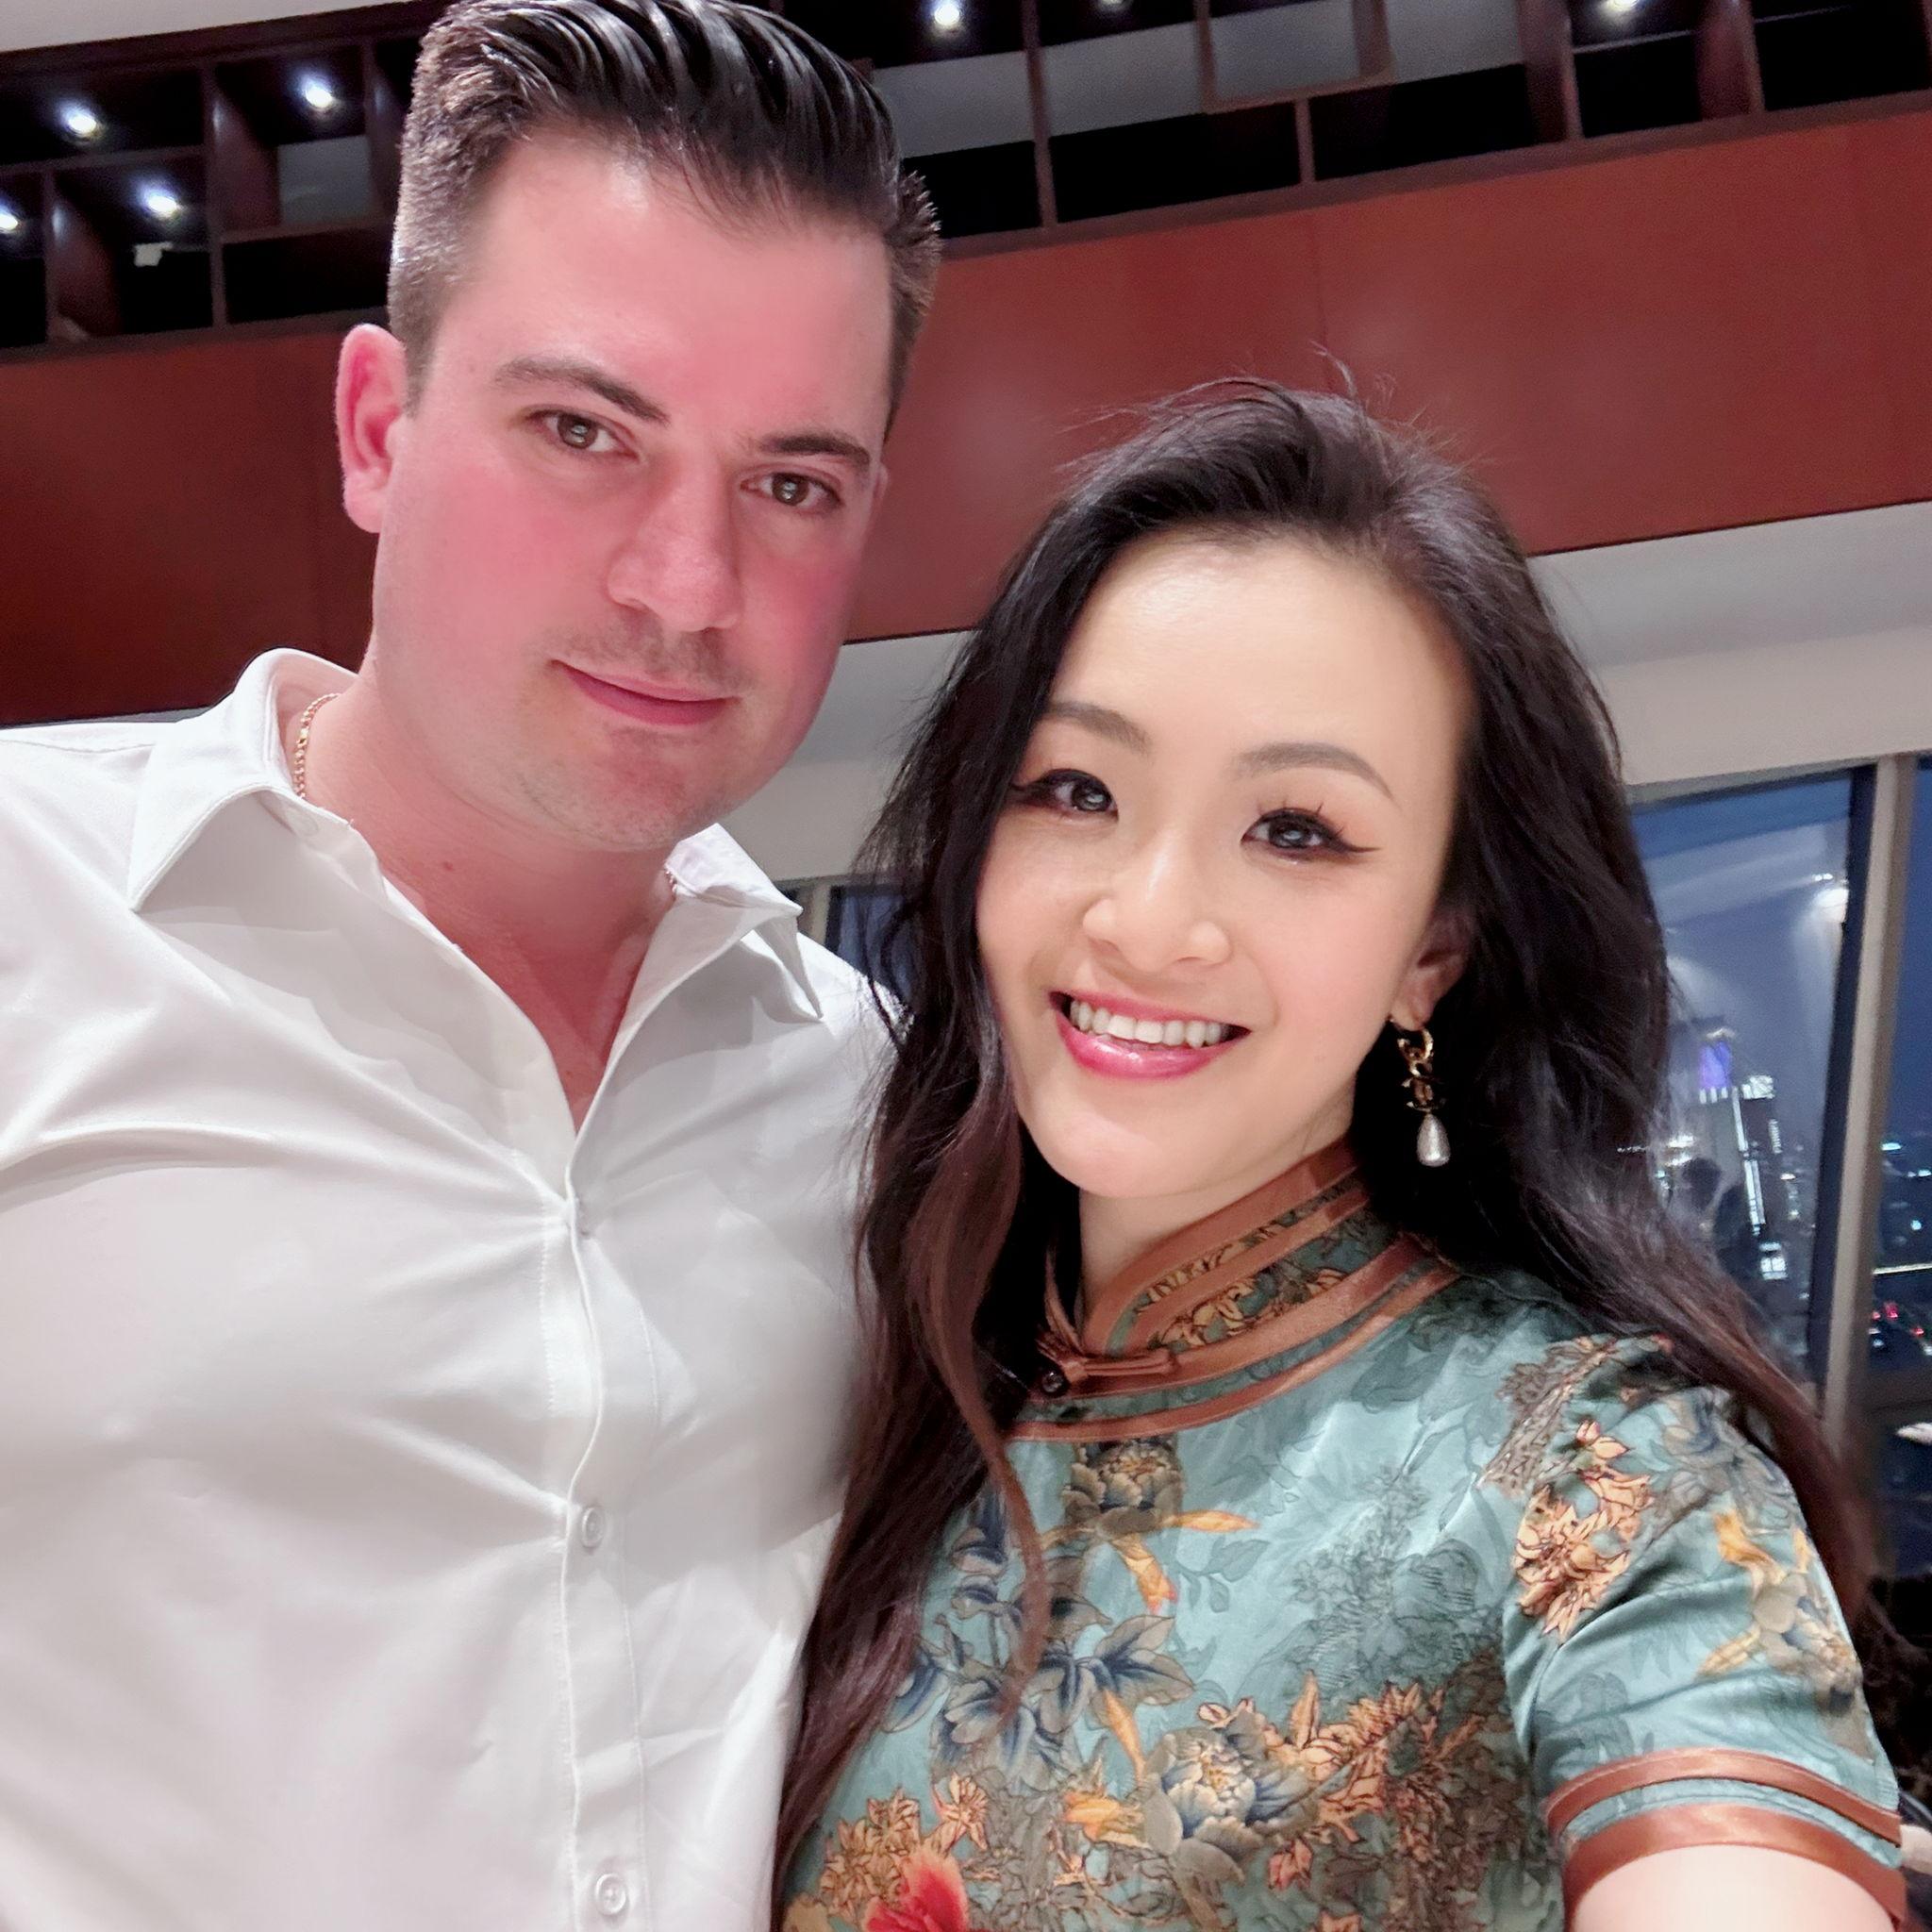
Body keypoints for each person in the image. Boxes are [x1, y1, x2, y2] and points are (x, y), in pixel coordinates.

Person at [0, 4, 937, 1927]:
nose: (685, 586)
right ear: (377, 427)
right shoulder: (31, 910)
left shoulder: (865, 1087)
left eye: (792, 484)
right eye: (583, 433)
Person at [777, 385, 1905, 1931]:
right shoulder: (897, 1368)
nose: (1148, 919)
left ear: (1432, 948)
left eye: (1296, 829)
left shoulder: (1592, 1467)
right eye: (1077, 790)